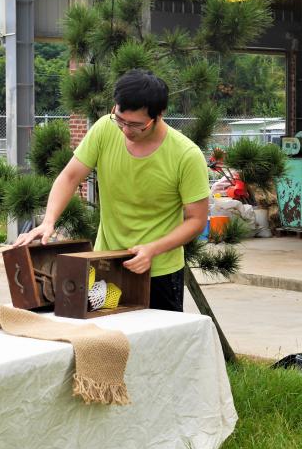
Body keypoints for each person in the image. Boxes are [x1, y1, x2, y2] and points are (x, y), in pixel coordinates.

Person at [14, 69, 209, 312]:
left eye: (137, 125)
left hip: (159, 271)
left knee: (157, 345)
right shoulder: (105, 129)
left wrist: (152, 249)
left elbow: (197, 220)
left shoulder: (186, 155)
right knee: (106, 341)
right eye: (120, 119)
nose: (126, 130)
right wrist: (49, 220)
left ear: (159, 114)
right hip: (105, 263)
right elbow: (69, 176)